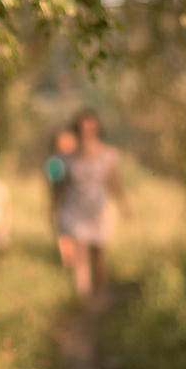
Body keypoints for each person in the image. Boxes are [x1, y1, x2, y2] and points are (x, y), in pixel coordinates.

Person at [56, 110, 124, 303]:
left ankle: (101, 295)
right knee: (80, 252)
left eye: (90, 126)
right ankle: (83, 296)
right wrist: (53, 205)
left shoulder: (108, 154)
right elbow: (60, 184)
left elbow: (114, 179)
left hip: (98, 210)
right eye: (82, 127)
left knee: (98, 253)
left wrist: (124, 202)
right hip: (74, 208)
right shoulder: (67, 157)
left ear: (96, 128)